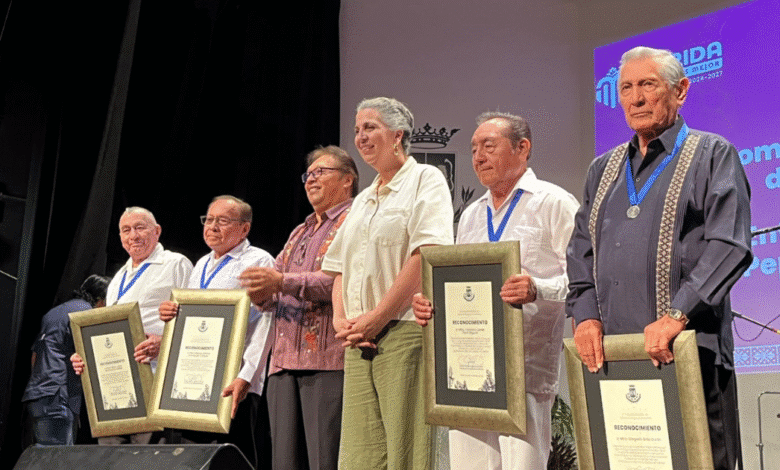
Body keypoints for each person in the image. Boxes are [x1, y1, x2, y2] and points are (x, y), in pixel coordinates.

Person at [566, 46, 752, 470]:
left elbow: (730, 245)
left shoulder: (712, 154)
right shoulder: (602, 169)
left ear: (680, 90)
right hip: (617, 357)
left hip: (689, 350)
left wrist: (676, 314)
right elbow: (580, 249)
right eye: (626, 88)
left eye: (648, 85)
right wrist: (586, 315)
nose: (635, 98)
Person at [412, 112, 579, 469]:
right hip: (470, 371)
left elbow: (582, 281)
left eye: (489, 146)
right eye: (474, 149)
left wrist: (537, 288)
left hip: (525, 370)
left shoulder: (554, 202)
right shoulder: (472, 214)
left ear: (522, 148)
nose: (478, 157)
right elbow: (462, 286)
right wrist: (432, 304)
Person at [320, 97, 454, 469]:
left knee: (407, 452)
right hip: (358, 339)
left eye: (370, 127)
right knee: (358, 456)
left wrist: (378, 317)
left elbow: (425, 253)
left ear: (397, 135)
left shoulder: (426, 179)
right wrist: (341, 320)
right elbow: (339, 268)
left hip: (403, 333)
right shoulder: (363, 199)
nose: (360, 137)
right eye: (357, 130)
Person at [238, 145, 357, 470]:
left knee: (324, 459)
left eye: (321, 172)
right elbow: (273, 289)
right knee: (284, 462)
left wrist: (279, 282)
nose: (311, 179)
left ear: (347, 180)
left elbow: (340, 281)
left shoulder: (354, 221)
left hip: (327, 363)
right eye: (308, 174)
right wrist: (258, 291)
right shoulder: (299, 231)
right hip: (283, 364)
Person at [158, 195, 275, 469]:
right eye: (208, 219)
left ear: (244, 228)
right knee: (195, 458)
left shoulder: (259, 261)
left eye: (222, 221)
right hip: (196, 380)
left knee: (233, 458)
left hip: (233, 378)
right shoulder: (201, 264)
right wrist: (172, 313)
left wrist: (247, 375)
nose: (212, 226)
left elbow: (268, 320)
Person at [71, 206, 193, 444]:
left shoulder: (175, 263)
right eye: (126, 230)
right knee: (111, 456)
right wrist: (86, 355)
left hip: (155, 377)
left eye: (140, 228)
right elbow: (107, 329)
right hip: (116, 383)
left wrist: (165, 343)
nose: (133, 236)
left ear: (157, 231)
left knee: (148, 456)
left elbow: (195, 318)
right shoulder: (119, 277)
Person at [22, 274, 110, 446]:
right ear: (101, 299)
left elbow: (35, 355)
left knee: (46, 453)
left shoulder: (53, 313)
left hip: (38, 395)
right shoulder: (86, 313)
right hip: (59, 397)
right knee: (57, 455)